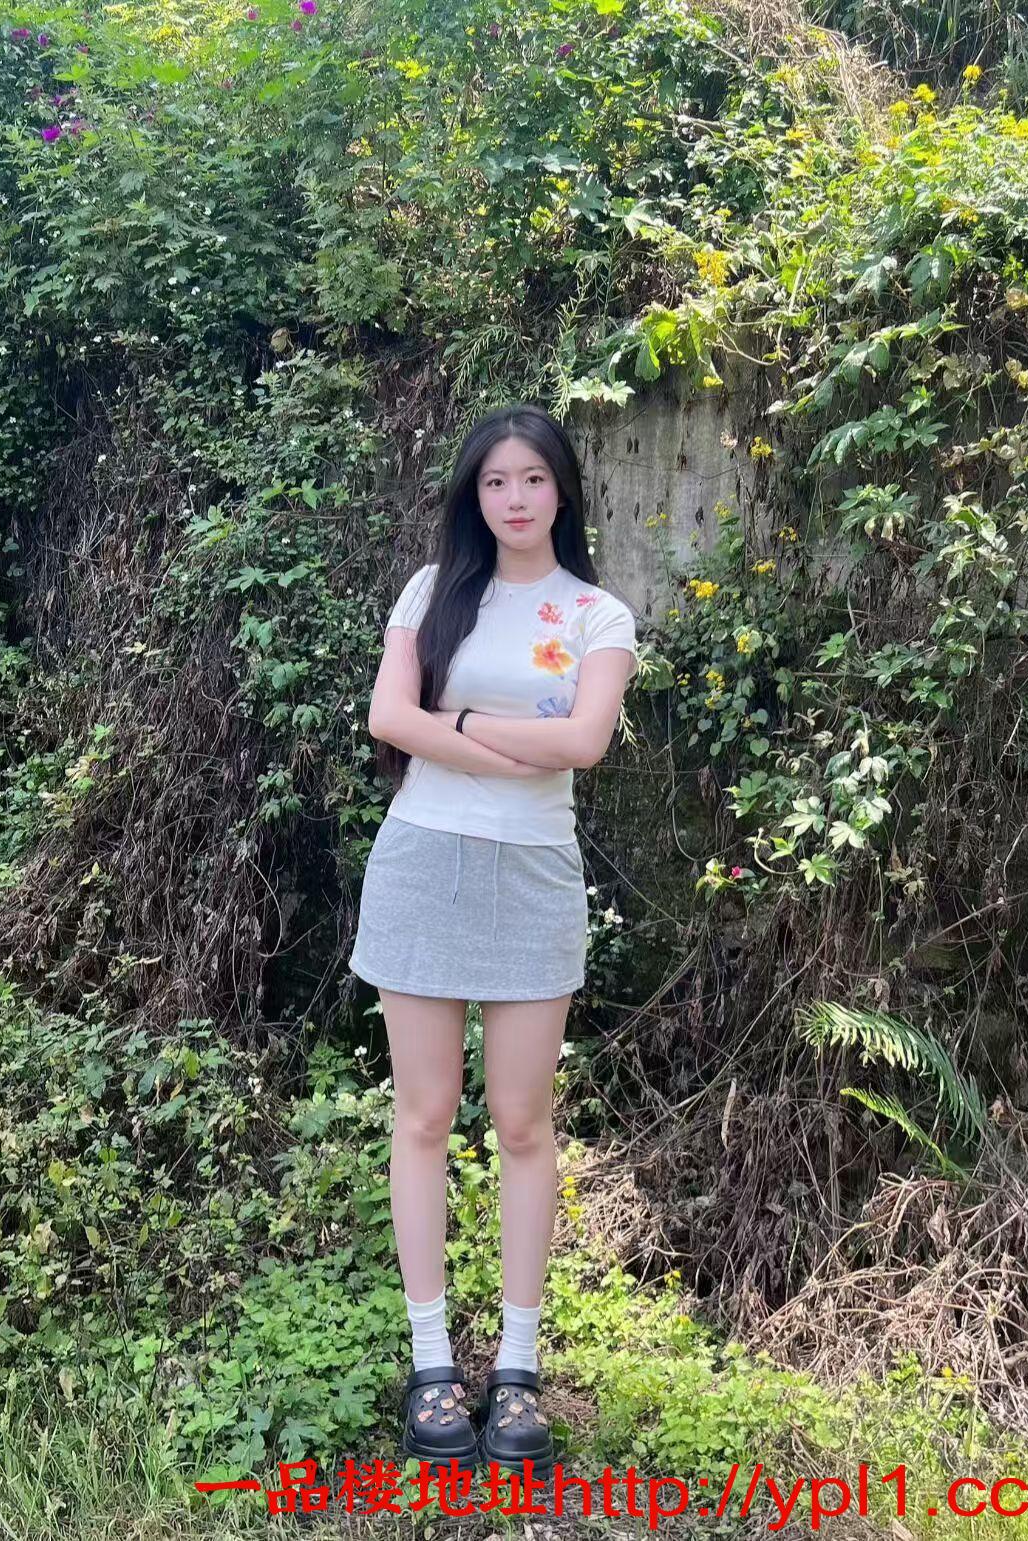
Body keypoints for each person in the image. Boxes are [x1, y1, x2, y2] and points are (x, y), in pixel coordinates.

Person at [348, 402, 639, 1478]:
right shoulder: (432, 591)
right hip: (423, 864)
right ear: (474, 496)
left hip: (533, 879)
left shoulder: (598, 614)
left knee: (523, 1122)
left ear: (563, 490)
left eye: (533, 478)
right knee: (423, 1115)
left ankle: (517, 1365)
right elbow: (390, 717)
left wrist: (459, 725)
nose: (515, 498)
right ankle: (432, 1362)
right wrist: (508, 743)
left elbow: (586, 740)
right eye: (495, 481)